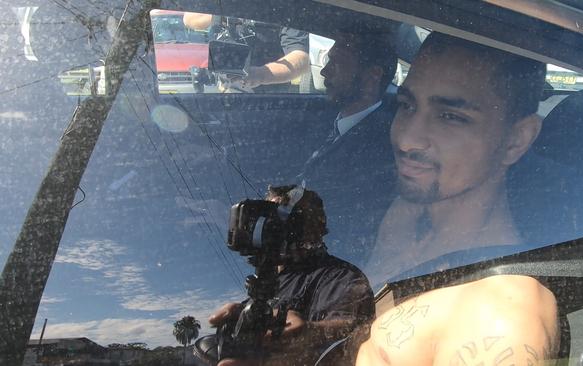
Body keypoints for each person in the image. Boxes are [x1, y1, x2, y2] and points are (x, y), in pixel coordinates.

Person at [355, 32, 559, 365]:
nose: (406, 139)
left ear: (516, 141)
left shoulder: (500, 316)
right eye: (406, 105)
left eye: (450, 116)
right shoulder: (405, 215)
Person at [196, 185, 374, 366]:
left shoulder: (339, 276)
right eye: (270, 219)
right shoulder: (269, 282)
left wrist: (309, 332)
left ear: (318, 226)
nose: (271, 227)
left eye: (289, 218)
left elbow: (355, 328)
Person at [297, 27, 398, 262]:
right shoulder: (328, 120)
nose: (324, 71)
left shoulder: (376, 154)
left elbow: (331, 232)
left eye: (337, 63)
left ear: (372, 76)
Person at [183, 12, 309, 91]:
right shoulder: (224, 6)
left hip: (270, 99)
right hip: (224, 92)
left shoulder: (285, 8)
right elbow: (189, 18)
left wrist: (259, 75)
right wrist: (224, 11)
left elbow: (300, 59)